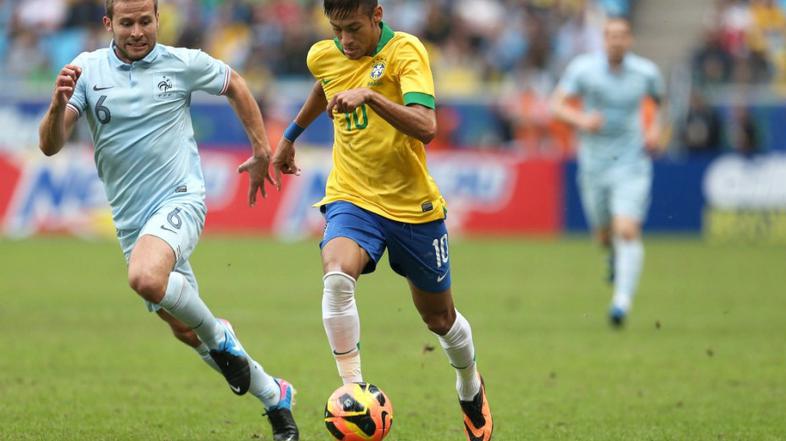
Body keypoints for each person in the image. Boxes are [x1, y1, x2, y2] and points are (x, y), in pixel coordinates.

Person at [37, 1, 299, 439]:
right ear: (109, 24)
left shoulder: (181, 63)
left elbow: (234, 82)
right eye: (127, 23)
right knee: (184, 328)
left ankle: (221, 337)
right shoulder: (86, 72)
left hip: (181, 199)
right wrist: (57, 102)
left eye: (145, 21)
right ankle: (275, 397)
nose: (137, 31)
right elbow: (49, 145)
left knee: (145, 278)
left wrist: (260, 149)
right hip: (131, 222)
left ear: (158, 20)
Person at [271, 1, 493, 440]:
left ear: (377, 14)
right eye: (337, 30)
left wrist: (371, 96)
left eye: (353, 29)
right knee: (336, 277)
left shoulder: (406, 52)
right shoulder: (325, 53)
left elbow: (427, 125)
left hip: (413, 207)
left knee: (440, 319)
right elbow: (325, 85)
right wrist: (289, 137)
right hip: (352, 197)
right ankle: (353, 391)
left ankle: (469, 384)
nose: (345, 41)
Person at [551, 17, 665, 327]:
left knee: (627, 230)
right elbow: (557, 105)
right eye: (610, 36)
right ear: (604, 39)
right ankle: (612, 256)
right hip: (594, 165)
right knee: (604, 236)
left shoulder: (646, 72)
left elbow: (658, 101)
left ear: (630, 40)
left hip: (631, 163)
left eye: (622, 36)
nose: (616, 41)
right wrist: (582, 120)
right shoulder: (583, 69)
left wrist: (654, 128)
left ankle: (621, 302)